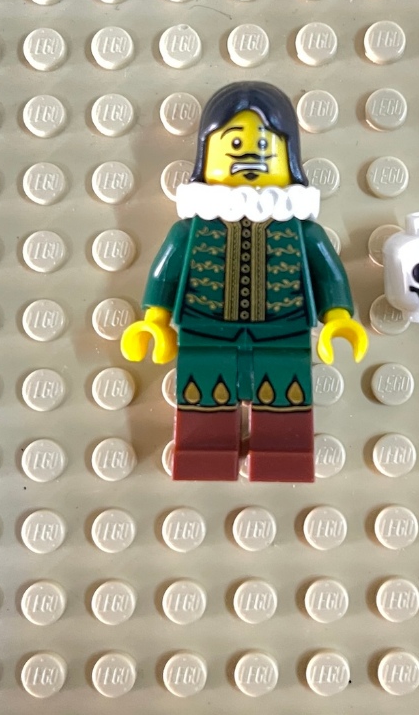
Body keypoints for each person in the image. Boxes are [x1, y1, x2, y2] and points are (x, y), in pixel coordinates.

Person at [122, 82, 366, 482]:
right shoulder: (188, 232)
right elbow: (165, 274)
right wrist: (155, 320)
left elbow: (328, 273)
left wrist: (338, 317)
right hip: (205, 333)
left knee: (285, 402)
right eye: (234, 143)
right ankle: (203, 457)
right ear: (206, 156)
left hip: (283, 335)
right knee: (203, 400)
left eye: (265, 146)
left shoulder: (305, 232)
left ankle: (283, 458)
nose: (250, 156)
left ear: (290, 158)